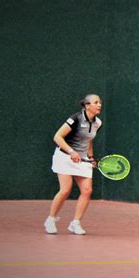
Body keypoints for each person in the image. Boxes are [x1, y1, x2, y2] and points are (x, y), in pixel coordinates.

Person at [44, 94, 103, 235]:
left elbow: (88, 141)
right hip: (64, 156)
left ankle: (75, 223)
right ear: (87, 105)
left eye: (100, 102)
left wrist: (91, 157)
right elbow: (57, 137)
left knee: (87, 191)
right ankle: (50, 220)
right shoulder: (75, 119)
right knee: (65, 190)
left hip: (82, 158)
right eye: (96, 102)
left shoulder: (98, 123)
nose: (99, 104)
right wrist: (71, 152)